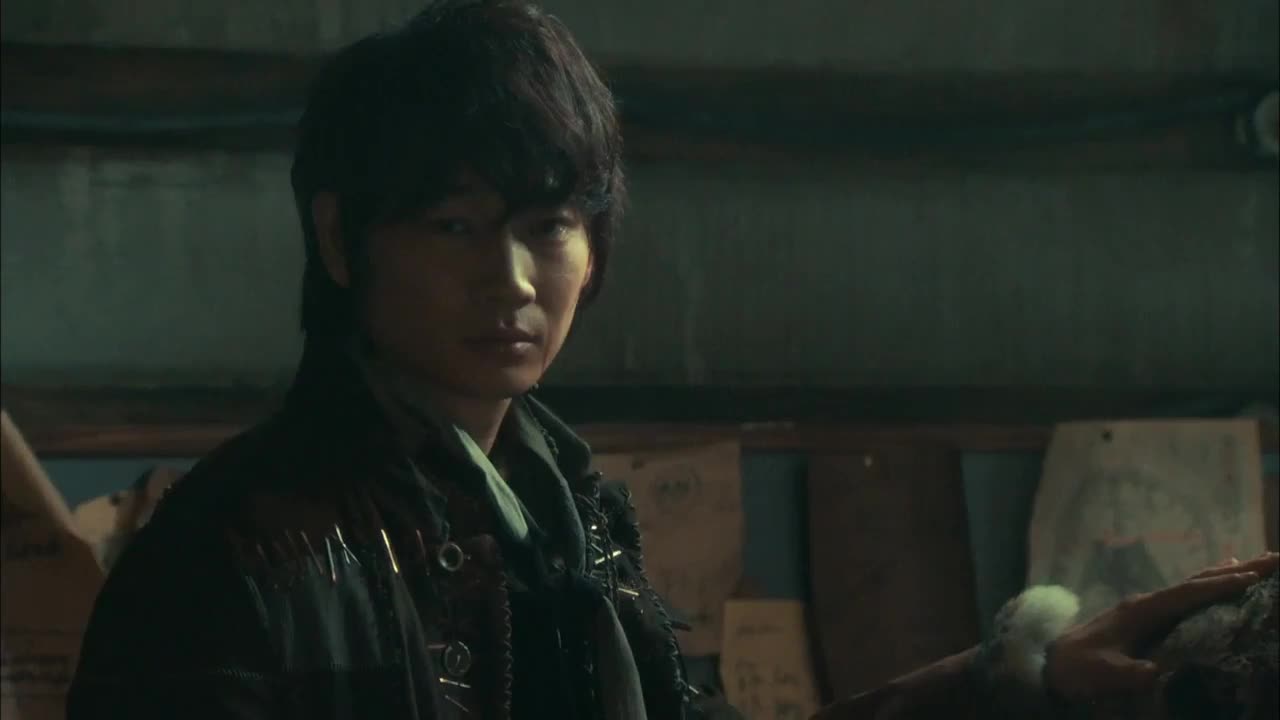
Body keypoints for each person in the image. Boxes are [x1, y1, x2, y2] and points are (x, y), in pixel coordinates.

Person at [65, 2, 1280, 719]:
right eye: (453, 225)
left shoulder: (571, 520)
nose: (513, 279)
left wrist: (1019, 680)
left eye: (548, 224)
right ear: (340, 239)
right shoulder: (234, 555)